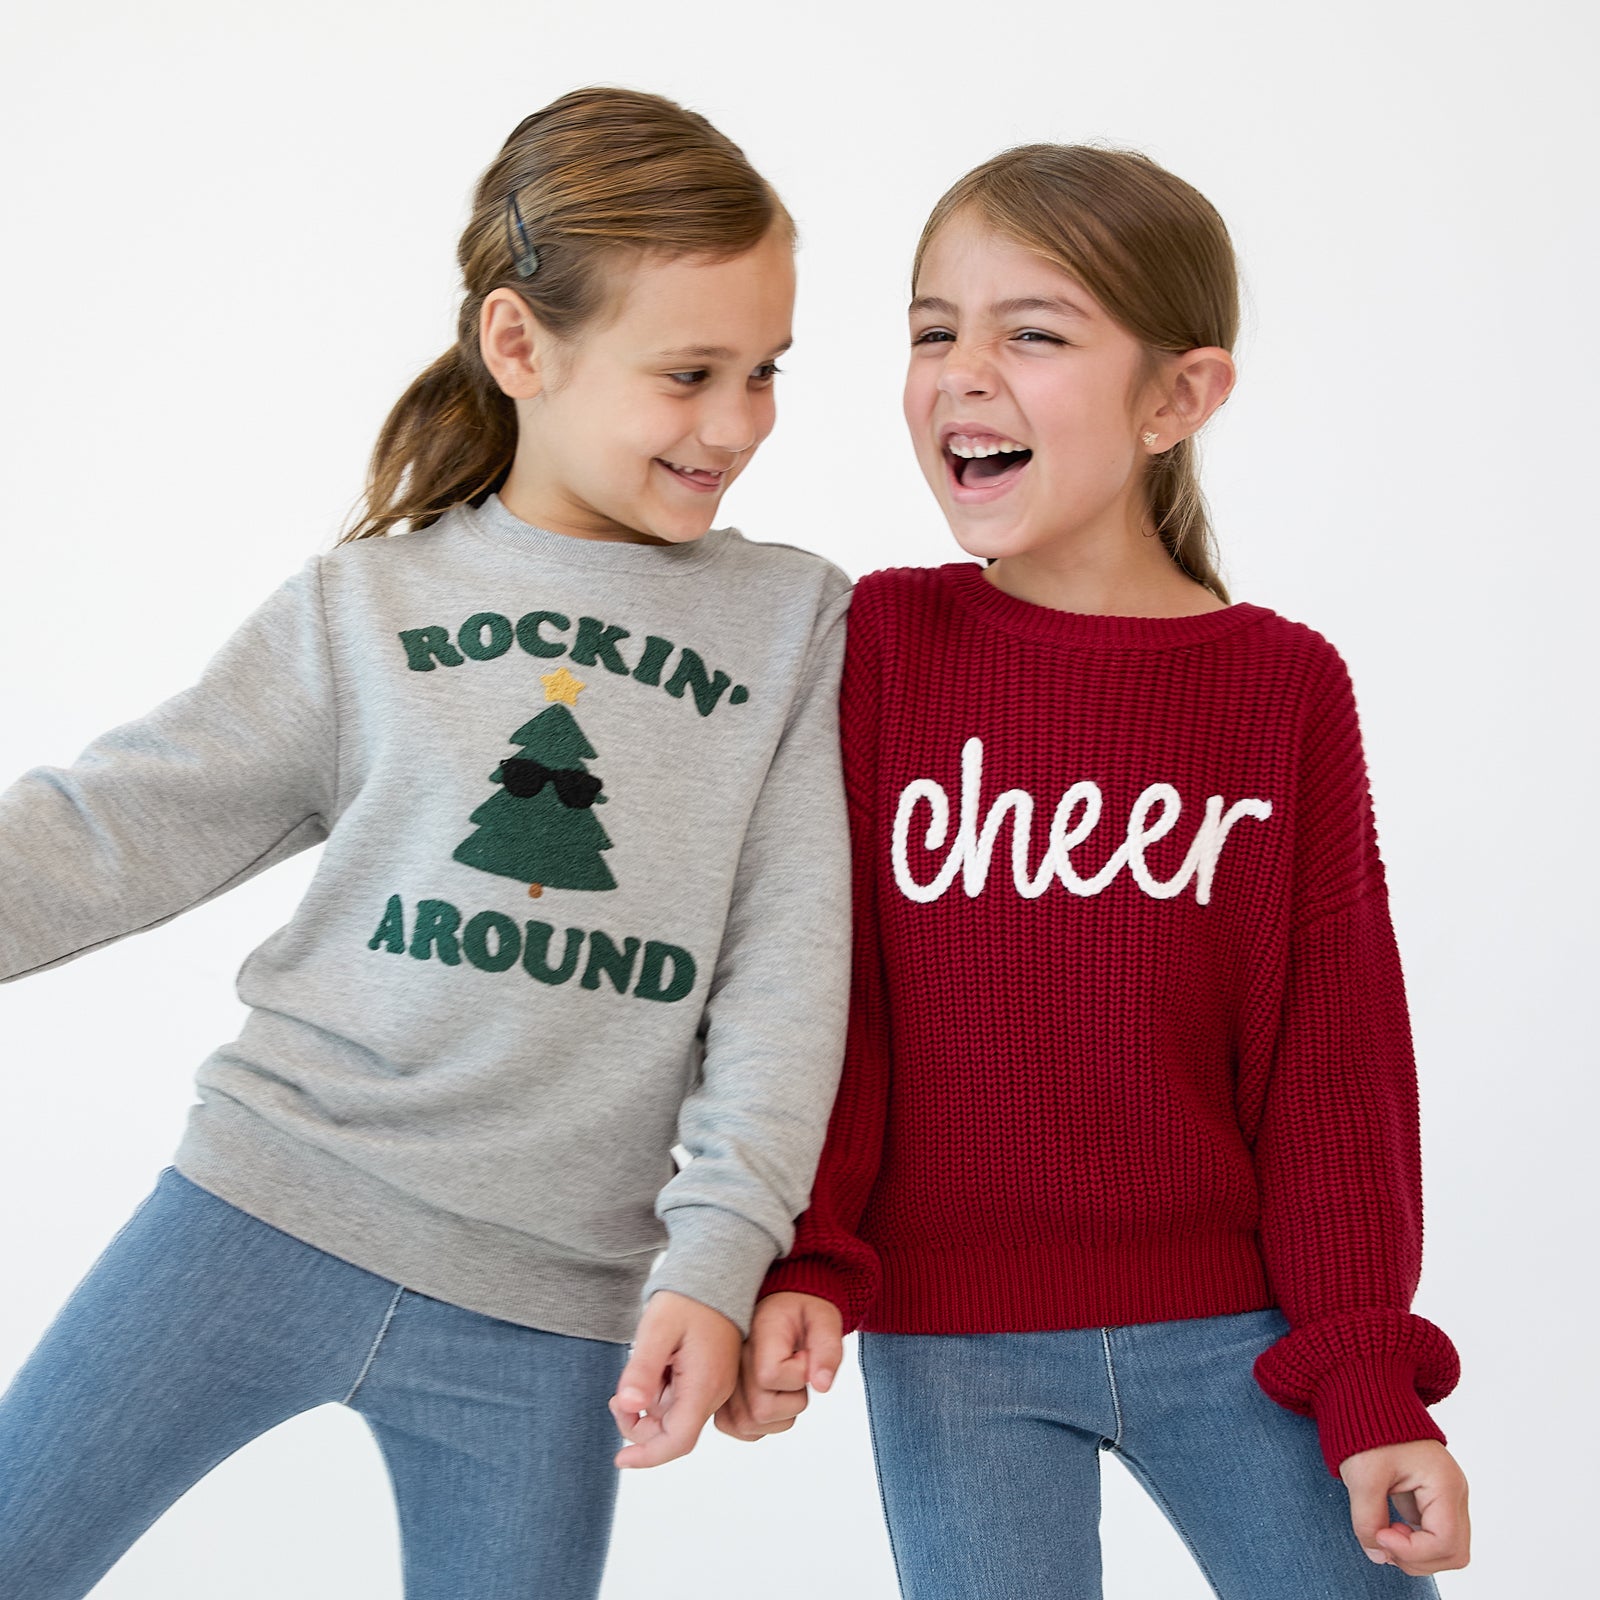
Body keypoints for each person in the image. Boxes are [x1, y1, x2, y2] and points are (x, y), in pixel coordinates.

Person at [0, 86, 850, 1600]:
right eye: (689, 373)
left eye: (766, 372)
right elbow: (120, 823)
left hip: (556, 1305)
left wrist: (719, 1256)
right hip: (257, 1210)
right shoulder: (362, 611)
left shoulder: (796, 626)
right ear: (520, 346)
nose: (737, 424)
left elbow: (789, 975)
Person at [719, 143, 1471, 1598]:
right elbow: (831, 990)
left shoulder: (1281, 689)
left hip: (1248, 1338)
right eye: (934, 329)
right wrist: (807, 1252)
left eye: (1034, 333)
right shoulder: (878, 646)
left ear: (1178, 397)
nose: (963, 372)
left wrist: (1374, 1383)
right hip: (955, 1347)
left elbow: (1332, 1066)